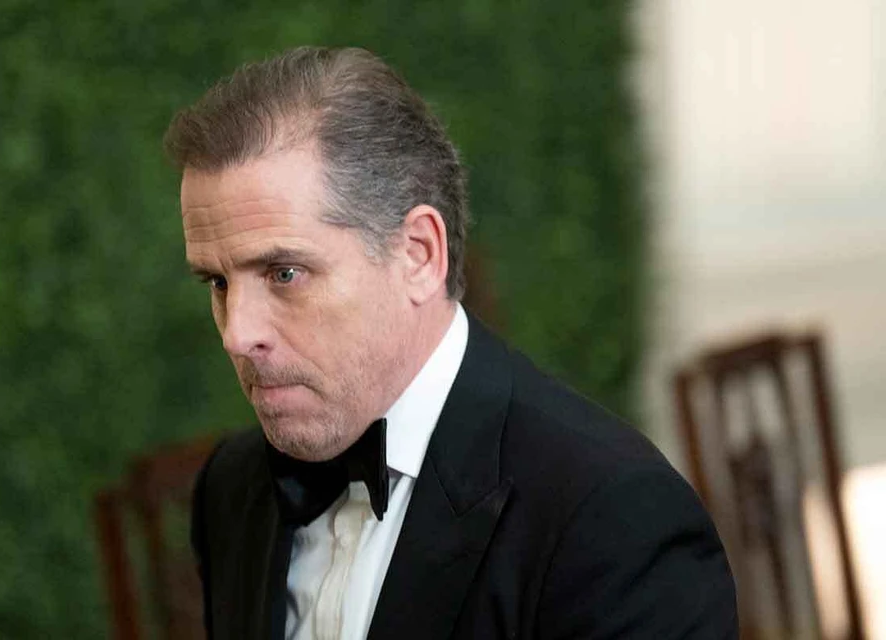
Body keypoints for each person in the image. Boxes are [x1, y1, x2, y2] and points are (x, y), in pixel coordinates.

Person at [163, 46, 737, 639]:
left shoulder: (613, 521)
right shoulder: (232, 489)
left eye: (284, 273)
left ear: (418, 255)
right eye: (217, 282)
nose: (237, 334)